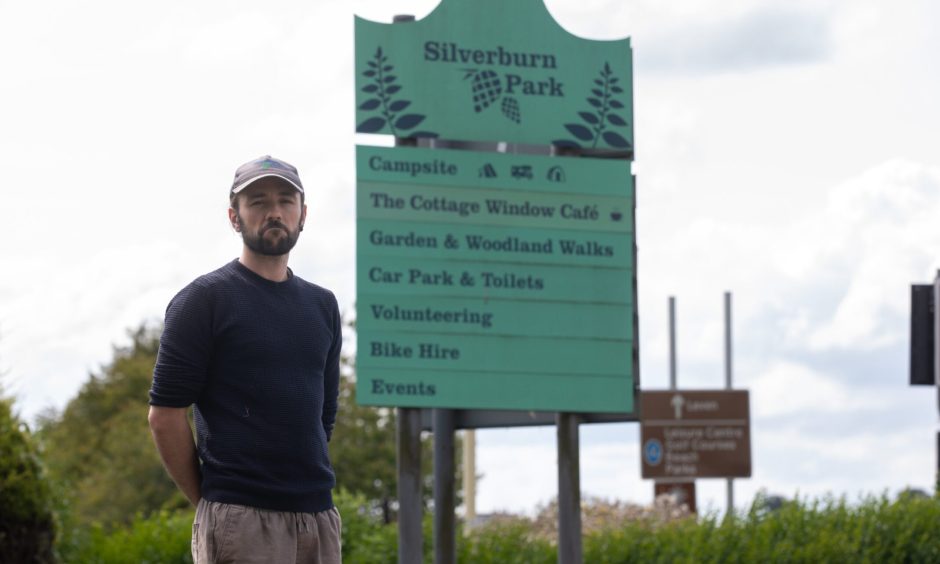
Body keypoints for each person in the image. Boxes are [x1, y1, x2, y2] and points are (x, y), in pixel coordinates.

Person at [148, 155, 343, 563]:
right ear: (234, 217)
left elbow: (322, 416)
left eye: (286, 201)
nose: (274, 212)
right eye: (257, 202)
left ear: (303, 214)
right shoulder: (204, 301)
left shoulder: (323, 305)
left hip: (319, 519)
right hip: (240, 518)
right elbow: (165, 415)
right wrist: (211, 501)